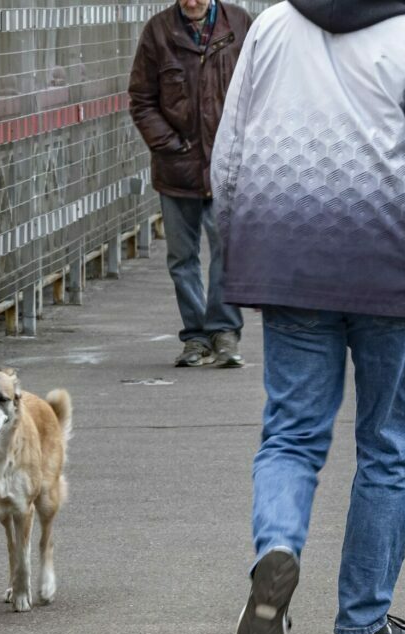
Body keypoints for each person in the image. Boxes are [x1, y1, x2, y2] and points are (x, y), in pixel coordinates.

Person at [212, 0, 405, 634]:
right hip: (389, 265)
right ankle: (363, 621)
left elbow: (229, 159)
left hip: (290, 261)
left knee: (291, 434)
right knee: (386, 442)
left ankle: (278, 548)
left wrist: (247, 236)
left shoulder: (271, 26)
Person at [129, 0, 252, 368]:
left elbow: (261, 87)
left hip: (226, 164)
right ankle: (196, 337)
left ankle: (224, 332)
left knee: (226, 249)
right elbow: (142, 99)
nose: (192, 2)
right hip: (177, 167)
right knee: (182, 257)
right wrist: (170, 144)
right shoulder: (159, 31)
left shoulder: (240, 25)